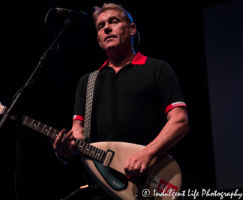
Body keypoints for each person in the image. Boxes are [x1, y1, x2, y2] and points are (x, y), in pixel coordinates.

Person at [50, 3, 189, 199]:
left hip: (149, 177)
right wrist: (66, 149)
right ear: (98, 40)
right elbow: (79, 133)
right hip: (102, 186)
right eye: (101, 26)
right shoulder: (87, 82)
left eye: (114, 22)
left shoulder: (157, 69)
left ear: (132, 29)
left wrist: (146, 154)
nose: (107, 27)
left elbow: (180, 121)